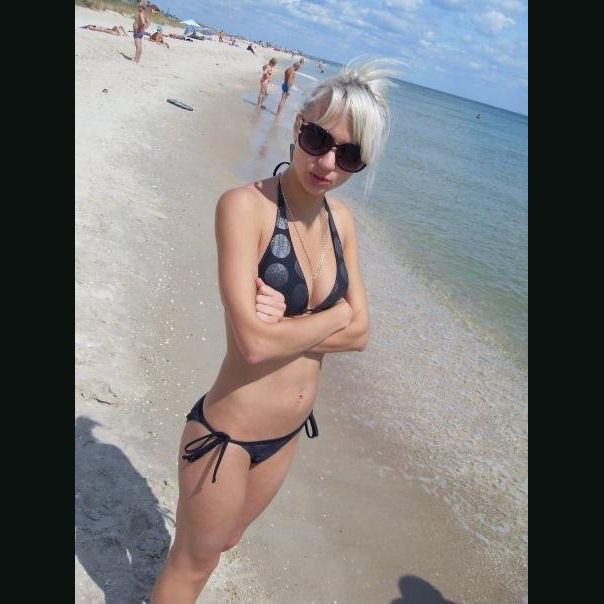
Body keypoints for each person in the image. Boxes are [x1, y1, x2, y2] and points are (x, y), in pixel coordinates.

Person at [150, 59, 393, 603]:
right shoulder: (245, 208)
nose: (326, 163)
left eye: (348, 155)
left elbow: (362, 335)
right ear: (298, 125)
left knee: (226, 541)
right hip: (226, 439)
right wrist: (334, 316)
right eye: (318, 139)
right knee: (192, 565)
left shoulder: (342, 223)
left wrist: (292, 322)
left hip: (286, 436)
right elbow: (254, 345)